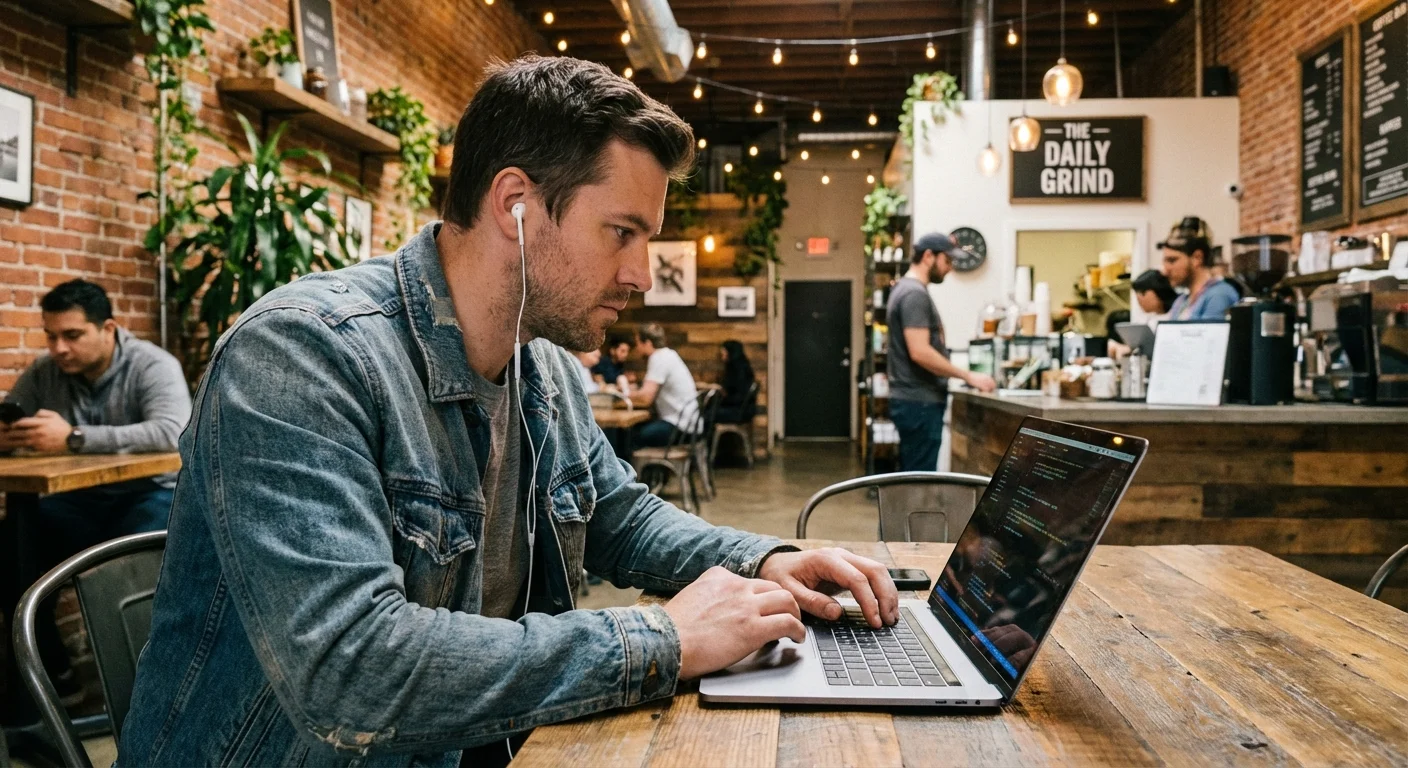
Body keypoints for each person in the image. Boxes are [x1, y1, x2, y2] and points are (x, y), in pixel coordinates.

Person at [119, 56, 899, 768]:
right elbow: (353, 669)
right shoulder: (302, 354)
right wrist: (660, 638)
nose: (640, 275)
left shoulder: (542, 366)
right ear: (516, 204)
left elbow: (620, 519)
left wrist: (767, 559)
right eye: (621, 233)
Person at [0, 279, 190, 703]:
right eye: (51, 336)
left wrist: (74, 438)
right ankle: (55, 680)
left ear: (108, 329)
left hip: (149, 493)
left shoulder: (152, 365)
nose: (59, 348)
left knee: (123, 572)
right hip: (81, 500)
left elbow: (172, 431)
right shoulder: (45, 371)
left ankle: (142, 695)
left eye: (72, 335)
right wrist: (9, 435)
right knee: (12, 546)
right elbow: (14, 416)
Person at [887, 233, 996, 472]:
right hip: (920, 402)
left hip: (914, 401)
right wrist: (968, 376)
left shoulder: (907, 290)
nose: (950, 268)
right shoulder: (914, 294)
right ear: (928, 256)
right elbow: (920, 351)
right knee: (920, 480)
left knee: (914, 476)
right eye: (947, 260)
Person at [630, 322, 700, 447]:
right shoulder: (669, 355)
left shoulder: (658, 358)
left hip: (680, 427)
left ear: (648, 343)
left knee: (631, 436)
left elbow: (646, 398)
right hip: (690, 423)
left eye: (638, 343)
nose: (637, 348)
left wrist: (622, 394)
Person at [1159, 217, 1241, 321]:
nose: (1165, 271)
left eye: (1172, 260)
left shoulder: (1218, 295)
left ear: (1197, 258)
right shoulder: (1181, 301)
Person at [1107, 269, 1177, 358]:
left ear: (1156, 291)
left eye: (1142, 293)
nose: (1139, 299)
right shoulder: (1150, 318)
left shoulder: (1176, 315)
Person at [716, 339, 755, 424]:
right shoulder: (740, 366)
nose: (722, 357)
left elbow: (738, 396)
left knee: (708, 414)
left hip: (739, 410)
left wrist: (722, 393)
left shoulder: (738, 370)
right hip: (740, 408)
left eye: (724, 354)